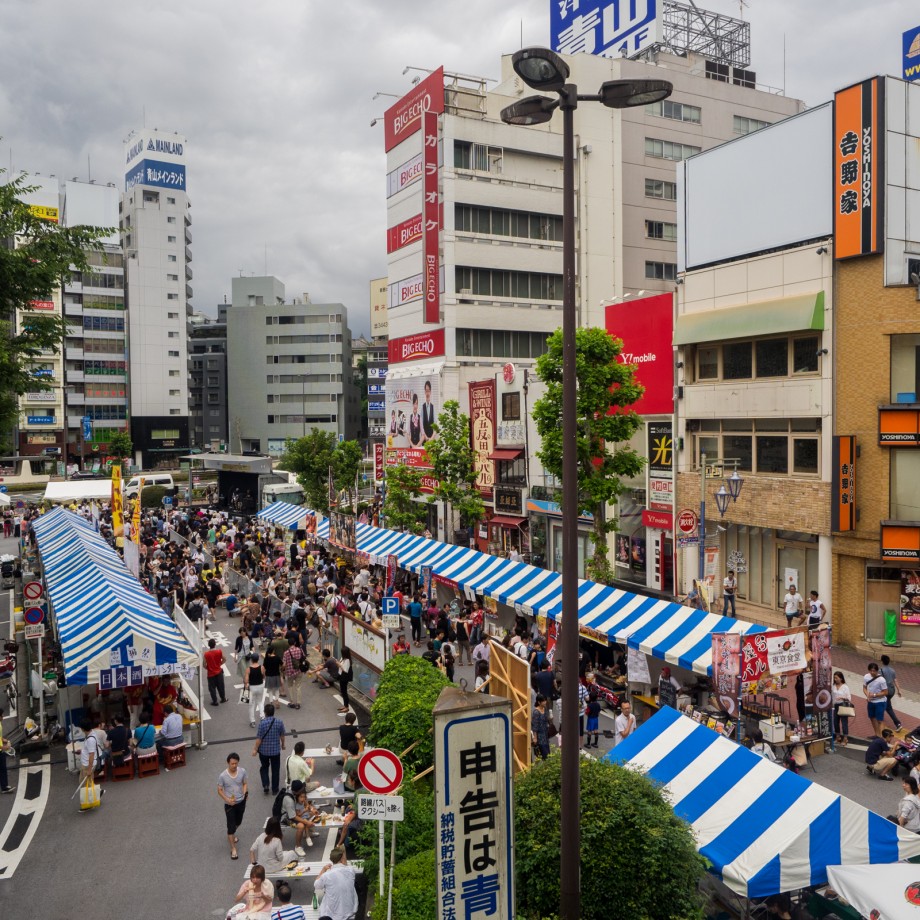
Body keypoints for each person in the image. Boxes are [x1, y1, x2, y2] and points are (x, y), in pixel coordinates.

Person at [313, 846, 359, 920]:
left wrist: (323, 869)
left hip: (334, 915)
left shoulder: (326, 875)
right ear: (341, 859)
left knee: (321, 894)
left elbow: (316, 885)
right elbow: (344, 868)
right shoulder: (351, 870)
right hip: (350, 909)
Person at [217, 752, 248, 860]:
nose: (234, 766)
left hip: (241, 802)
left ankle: (233, 833)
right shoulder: (223, 776)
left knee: (238, 822)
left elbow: (245, 783)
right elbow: (219, 790)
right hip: (229, 805)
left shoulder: (242, 771)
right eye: (232, 764)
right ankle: (233, 849)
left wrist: (244, 793)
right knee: (230, 827)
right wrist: (227, 800)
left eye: (236, 763)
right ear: (228, 763)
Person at [253, 702, 286, 796]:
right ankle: (275, 789)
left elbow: (259, 738)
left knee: (264, 767)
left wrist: (255, 749)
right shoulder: (279, 722)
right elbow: (282, 735)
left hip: (263, 751)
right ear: (273, 712)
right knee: (275, 770)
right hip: (275, 751)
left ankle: (266, 785)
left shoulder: (262, 724)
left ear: (265, 712)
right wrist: (283, 745)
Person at [863, 662, 890, 738]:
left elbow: (885, 692)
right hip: (871, 701)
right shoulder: (866, 677)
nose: (872, 672)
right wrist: (867, 695)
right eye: (871, 670)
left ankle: (882, 737)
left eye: (874, 671)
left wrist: (874, 695)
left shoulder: (881, 680)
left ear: (877, 671)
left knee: (880, 720)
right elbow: (864, 687)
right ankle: (877, 734)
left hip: (880, 701)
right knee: (872, 718)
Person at [880, 654, 904, 731]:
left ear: (882, 661)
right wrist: (899, 690)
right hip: (892, 690)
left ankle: (897, 723)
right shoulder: (892, 670)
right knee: (886, 704)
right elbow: (895, 680)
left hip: (885, 691)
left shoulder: (881, 670)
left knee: (888, 707)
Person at [282, 638, 305, 711]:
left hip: (290, 672)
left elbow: (284, 664)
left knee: (290, 686)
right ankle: (298, 703)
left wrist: (282, 670)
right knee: (298, 686)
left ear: (288, 644)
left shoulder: (286, 652)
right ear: (295, 643)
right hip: (299, 671)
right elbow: (304, 658)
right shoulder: (300, 650)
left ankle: (292, 702)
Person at [204, 637, 228, 706]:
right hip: (219, 672)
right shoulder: (219, 651)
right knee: (221, 686)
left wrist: (208, 668)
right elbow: (224, 659)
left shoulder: (206, 654)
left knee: (212, 688)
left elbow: (203, 664)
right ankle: (223, 698)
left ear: (209, 645)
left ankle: (215, 701)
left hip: (211, 674)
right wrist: (219, 664)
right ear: (215, 644)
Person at [245, 652, 267, 728]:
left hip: (252, 687)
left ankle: (253, 721)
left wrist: (246, 685)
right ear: (258, 659)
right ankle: (262, 716)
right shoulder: (262, 667)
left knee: (251, 705)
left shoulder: (248, 669)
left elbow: (246, 681)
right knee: (260, 702)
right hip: (260, 686)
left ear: (251, 660)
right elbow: (264, 676)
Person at [832, 670, 852, 746]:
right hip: (836, 706)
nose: (835, 679)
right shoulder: (833, 686)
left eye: (836, 678)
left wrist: (842, 697)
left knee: (844, 723)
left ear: (841, 678)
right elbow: (832, 696)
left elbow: (849, 698)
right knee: (835, 722)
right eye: (834, 678)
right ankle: (838, 737)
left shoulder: (845, 687)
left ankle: (845, 738)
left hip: (843, 706)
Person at [337, 647, 353, 714]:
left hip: (344, 677)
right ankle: (345, 705)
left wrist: (339, 665)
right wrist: (338, 663)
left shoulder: (347, 660)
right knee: (342, 691)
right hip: (341, 676)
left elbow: (345, 670)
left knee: (344, 692)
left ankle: (346, 707)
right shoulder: (343, 658)